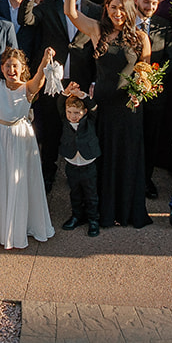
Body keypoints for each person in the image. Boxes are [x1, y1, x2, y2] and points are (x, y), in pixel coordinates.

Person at [63, 0, 152, 229]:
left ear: (129, 9)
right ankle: (99, 211)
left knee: (125, 158)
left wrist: (140, 93)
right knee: (100, 160)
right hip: (101, 108)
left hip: (128, 110)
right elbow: (71, 12)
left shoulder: (140, 38)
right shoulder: (96, 31)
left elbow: (145, 75)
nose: (117, 13)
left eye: (121, 8)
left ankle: (124, 211)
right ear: (107, 9)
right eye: (113, 8)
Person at [0, 30, 58, 249]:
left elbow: (40, 76)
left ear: (22, 69)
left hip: (20, 138)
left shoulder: (28, 88)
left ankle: (18, 226)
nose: (11, 70)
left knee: (17, 180)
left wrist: (46, 60)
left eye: (15, 66)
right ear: (2, 68)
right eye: (8, 66)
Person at [59, 93, 102, 236]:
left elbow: (94, 107)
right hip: (72, 162)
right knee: (75, 192)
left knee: (91, 194)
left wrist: (83, 96)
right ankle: (76, 216)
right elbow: (59, 103)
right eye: (69, 112)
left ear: (84, 112)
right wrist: (66, 93)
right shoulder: (65, 121)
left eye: (77, 113)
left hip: (88, 163)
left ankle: (93, 220)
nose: (72, 116)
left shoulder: (89, 120)